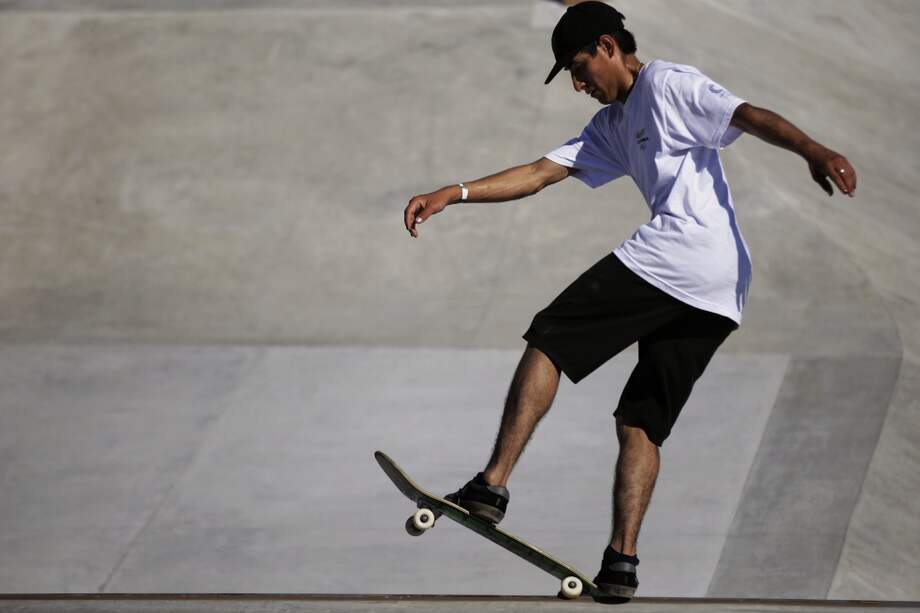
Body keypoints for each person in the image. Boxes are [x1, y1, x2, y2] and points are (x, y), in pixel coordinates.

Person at [401, 1, 856, 604]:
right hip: (721, 292)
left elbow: (744, 113)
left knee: (551, 336)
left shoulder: (668, 85)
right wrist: (454, 193)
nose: (578, 83)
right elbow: (540, 172)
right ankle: (622, 563)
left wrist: (813, 150)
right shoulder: (612, 127)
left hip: (682, 254)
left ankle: (490, 487)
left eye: (581, 66)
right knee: (641, 421)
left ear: (610, 47)